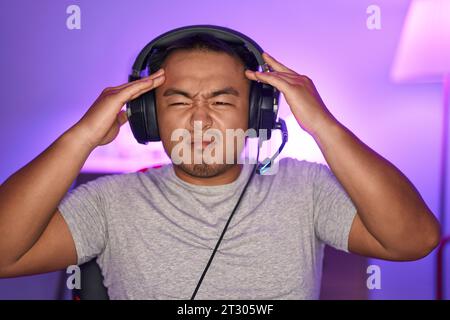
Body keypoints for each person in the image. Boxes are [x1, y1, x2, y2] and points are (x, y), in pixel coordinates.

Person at [0, 31, 440, 300]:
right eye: (178, 100)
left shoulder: (305, 188)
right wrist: (81, 137)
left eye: (222, 100)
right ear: (148, 117)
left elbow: (415, 240)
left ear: (258, 114)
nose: (200, 119)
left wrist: (321, 124)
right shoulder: (109, 202)